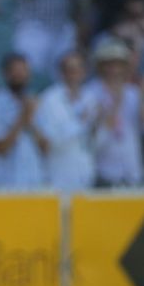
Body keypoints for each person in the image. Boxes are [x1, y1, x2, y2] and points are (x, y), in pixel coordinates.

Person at [0, 53, 49, 188]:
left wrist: (31, 121)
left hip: (34, 181)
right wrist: (22, 117)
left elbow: (45, 147)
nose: (20, 75)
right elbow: (0, 147)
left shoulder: (35, 102)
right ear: (6, 74)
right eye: (16, 71)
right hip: (3, 182)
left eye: (24, 71)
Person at [84, 38, 144, 186]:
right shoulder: (90, 93)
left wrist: (143, 98)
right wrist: (115, 106)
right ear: (100, 66)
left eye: (119, 64)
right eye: (109, 64)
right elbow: (95, 142)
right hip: (105, 174)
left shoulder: (133, 93)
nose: (114, 70)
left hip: (133, 173)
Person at [35, 51, 97, 191]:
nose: (74, 73)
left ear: (85, 72)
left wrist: (98, 126)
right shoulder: (49, 99)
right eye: (70, 69)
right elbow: (51, 141)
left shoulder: (91, 98)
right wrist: (80, 123)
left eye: (78, 69)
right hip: (58, 177)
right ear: (61, 72)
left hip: (86, 175)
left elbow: (94, 143)